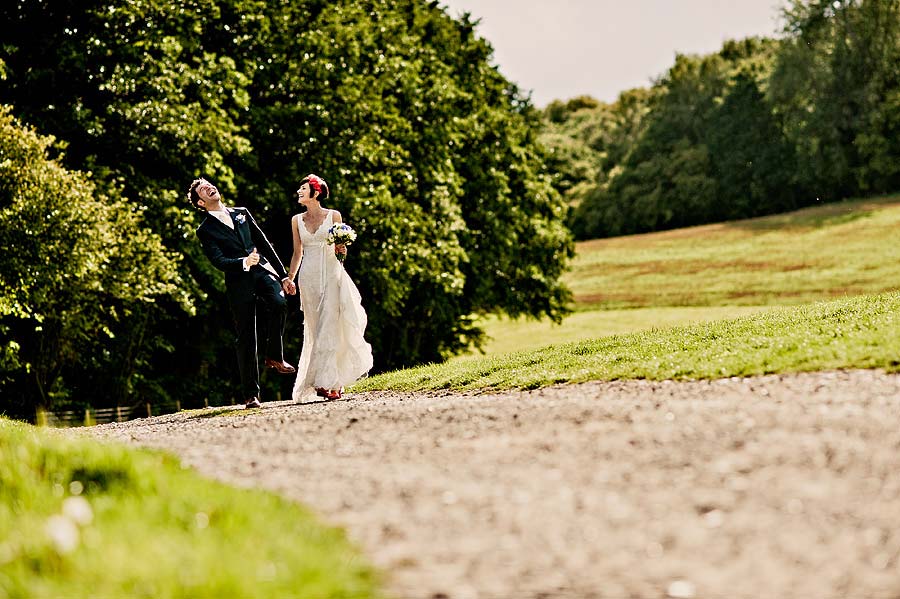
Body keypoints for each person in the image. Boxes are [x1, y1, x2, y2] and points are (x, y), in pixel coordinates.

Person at [188, 178, 298, 409]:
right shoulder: (205, 230)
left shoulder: (242, 212)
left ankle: (274, 356)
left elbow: (264, 243)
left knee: (279, 302)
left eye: (209, 184)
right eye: (203, 189)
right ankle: (251, 395)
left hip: (262, 271)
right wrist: (243, 262)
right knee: (246, 336)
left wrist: (284, 275)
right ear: (200, 202)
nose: (209, 187)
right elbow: (218, 260)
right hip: (239, 281)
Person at [287, 173, 373, 401]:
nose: (299, 192)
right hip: (308, 276)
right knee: (316, 329)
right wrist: (290, 278)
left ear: (315, 193)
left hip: (332, 273)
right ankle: (330, 382)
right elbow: (297, 253)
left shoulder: (334, 216)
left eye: (303, 188)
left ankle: (327, 383)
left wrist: (342, 250)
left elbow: (340, 249)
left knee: (330, 325)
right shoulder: (296, 220)